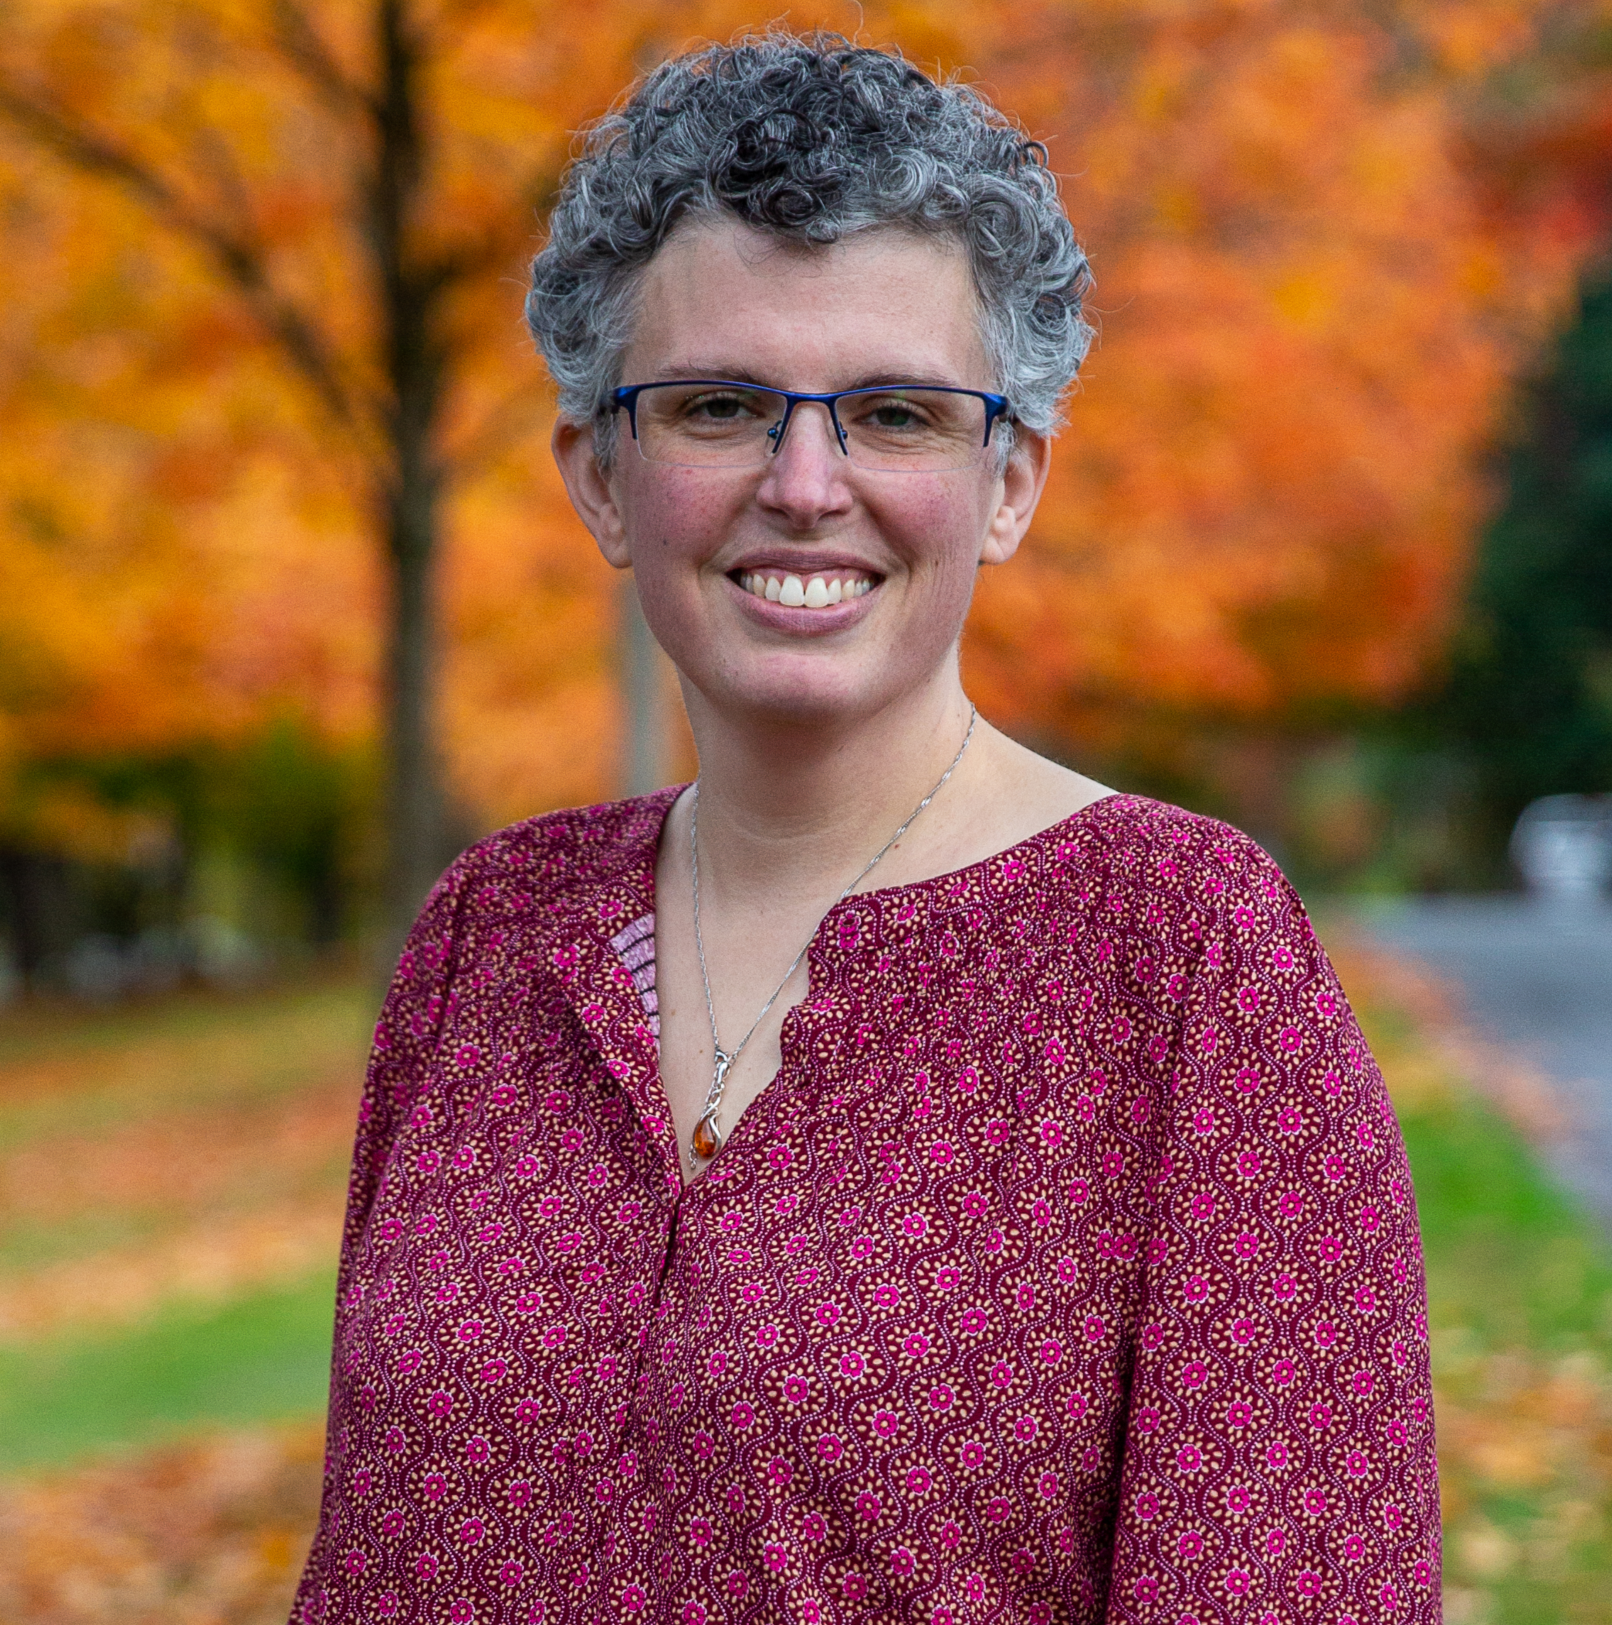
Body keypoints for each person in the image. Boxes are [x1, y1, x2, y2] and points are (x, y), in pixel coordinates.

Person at [292, 34, 1441, 1625]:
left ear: (1011, 479)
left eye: (895, 413)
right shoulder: (491, 935)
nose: (807, 482)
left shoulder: (1186, 961)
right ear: (603, 479)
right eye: (717, 407)